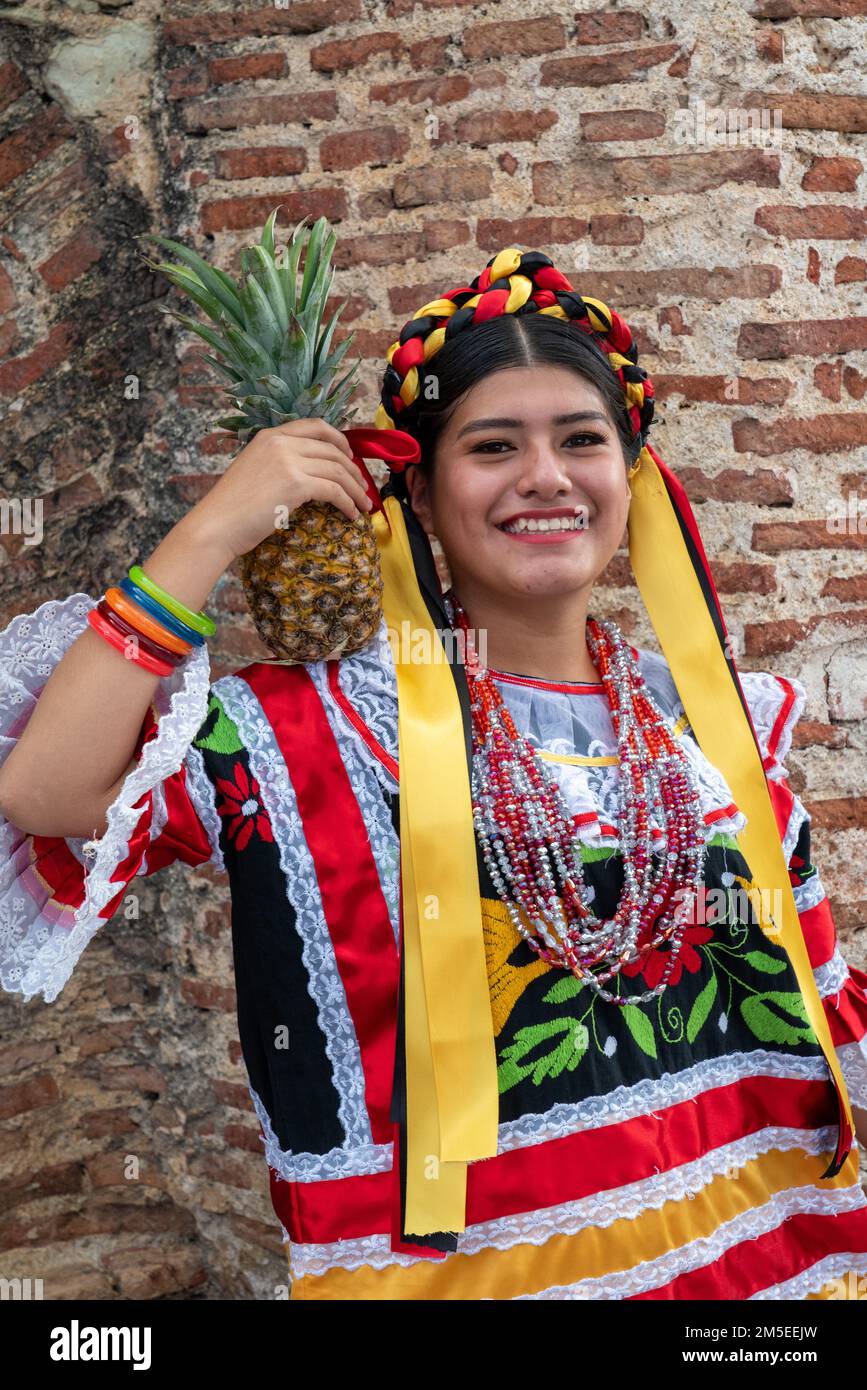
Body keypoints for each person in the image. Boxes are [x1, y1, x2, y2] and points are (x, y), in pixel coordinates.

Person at [1, 246, 867, 1302]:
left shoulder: (712, 724)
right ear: (417, 485)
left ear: (631, 476)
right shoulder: (312, 735)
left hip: (772, 1275)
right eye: (494, 445)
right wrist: (214, 527)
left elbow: (820, 1013)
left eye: (582, 440)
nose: (545, 475)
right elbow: (47, 792)